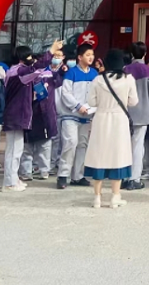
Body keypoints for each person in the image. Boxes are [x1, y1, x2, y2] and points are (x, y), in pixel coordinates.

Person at [3, 42, 60, 192]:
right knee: (14, 151)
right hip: (16, 115)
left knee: (17, 150)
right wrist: (51, 51)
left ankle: (13, 178)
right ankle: (9, 182)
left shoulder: (18, 71)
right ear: (21, 57)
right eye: (28, 56)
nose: (31, 58)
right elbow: (36, 68)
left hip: (18, 115)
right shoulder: (18, 71)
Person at [85, 49, 138, 208]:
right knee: (118, 156)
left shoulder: (98, 79)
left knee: (99, 156)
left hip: (101, 119)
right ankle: (115, 196)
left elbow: (91, 102)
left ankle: (97, 197)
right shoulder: (128, 79)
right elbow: (133, 101)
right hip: (119, 120)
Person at [57, 43, 98, 189]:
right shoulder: (71, 73)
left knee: (82, 144)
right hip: (71, 114)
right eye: (88, 55)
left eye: (92, 55)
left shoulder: (94, 73)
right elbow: (66, 93)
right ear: (79, 57)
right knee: (70, 143)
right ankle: (63, 175)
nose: (91, 57)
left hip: (87, 115)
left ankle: (78, 176)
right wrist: (77, 106)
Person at [19, 48, 64, 181]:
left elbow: (58, 82)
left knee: (45, 144)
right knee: (27, 145)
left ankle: (44, 170)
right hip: (30, 113)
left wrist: (59, 71)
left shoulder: (50, 73)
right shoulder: (29, 74)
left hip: (46, 113)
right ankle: (26, 172)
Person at [123, 42, 149, 190]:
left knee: (125, 146)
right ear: (144, 54)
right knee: (138, 146)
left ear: (132, 54)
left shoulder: (125, 69)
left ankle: (124, 177)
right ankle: (135, 179)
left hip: (126, 113)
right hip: (143, 112)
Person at [51, 53, 76, 173]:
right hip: (54, 110)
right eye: (55, 56)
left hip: (68, 111)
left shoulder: (69, 73)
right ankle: (53, 162)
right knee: (55, 139)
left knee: (66, 140)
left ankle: (61, 163)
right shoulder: (53, 72)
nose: (57, 58)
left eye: (60, 56)